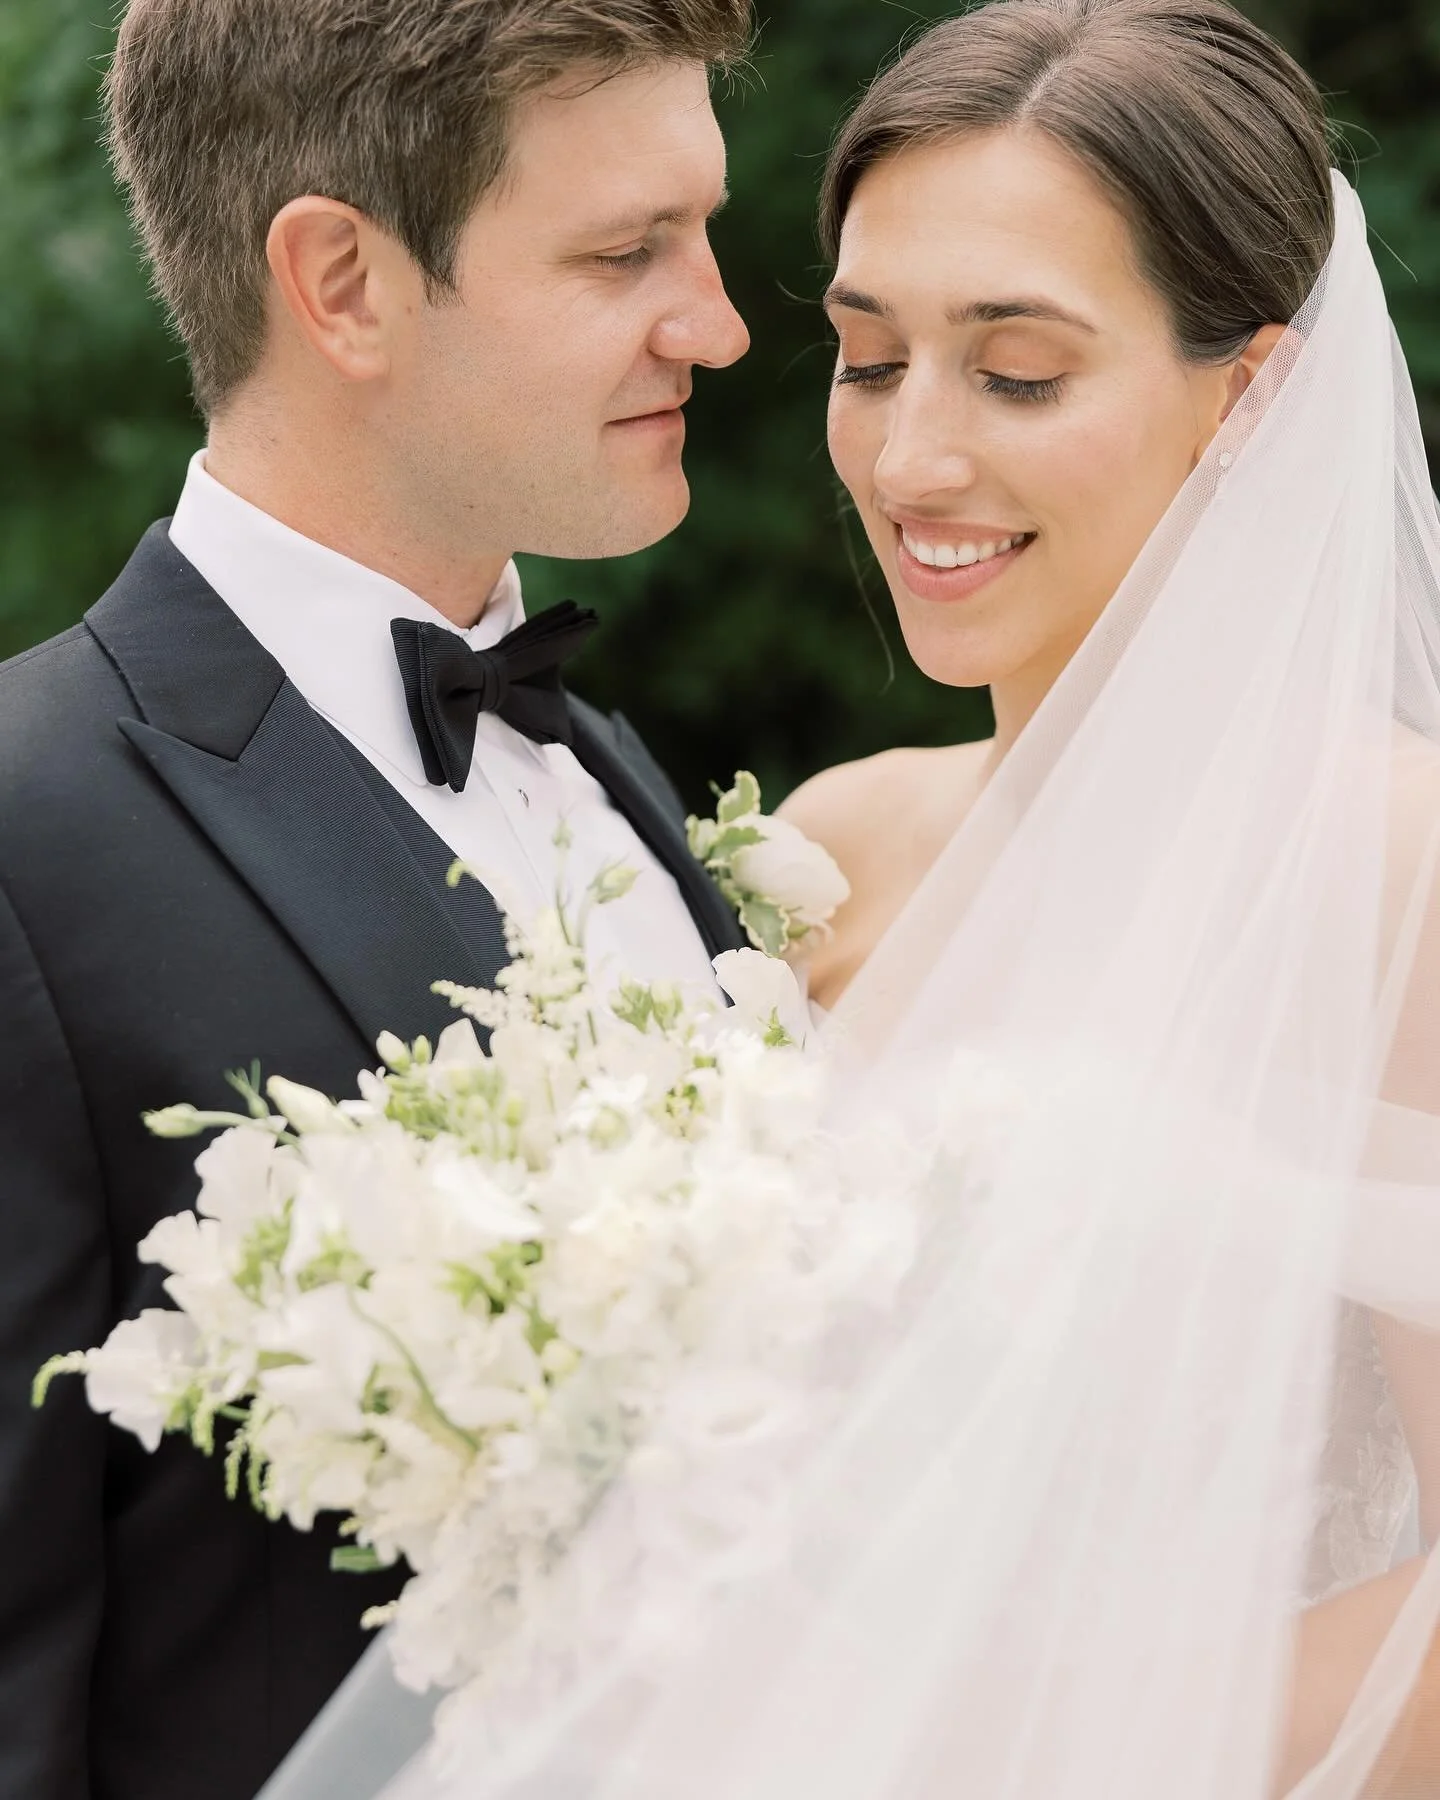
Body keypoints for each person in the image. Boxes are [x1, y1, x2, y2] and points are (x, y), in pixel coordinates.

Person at [260, 2, 1440, 1796]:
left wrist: (942, 1729)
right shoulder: (837, 847)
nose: (910, 462)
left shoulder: (1394, 868)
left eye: (1019, 370)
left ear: (1251, 389)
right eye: (872, 361)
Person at [0, 2, 754, 1796]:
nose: (718, 323)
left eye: (704, 235)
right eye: (625, 250)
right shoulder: (22, 830)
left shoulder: (617, 777)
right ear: (340, 280)